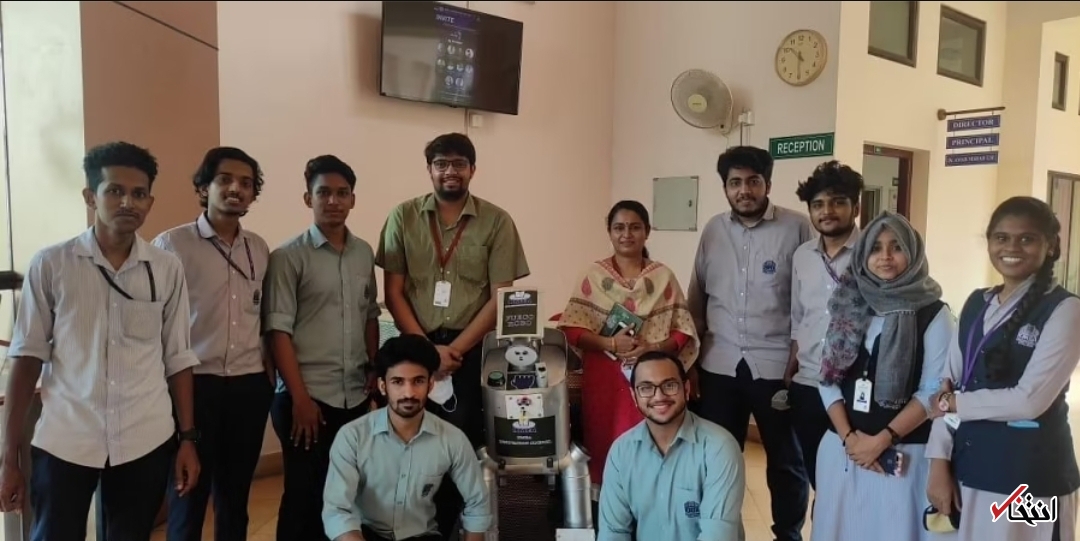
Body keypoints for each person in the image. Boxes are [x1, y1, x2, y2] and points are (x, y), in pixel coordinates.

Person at [0, 141, 201, 541]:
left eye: (139, 194)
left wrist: (188, 439)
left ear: (150, 202)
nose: (128, 202)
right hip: (67, 439)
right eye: (115, 191)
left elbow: (178, 357)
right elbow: (27, 357)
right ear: (90, 197)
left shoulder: (165, 268)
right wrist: (8, 458)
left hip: (145, 437)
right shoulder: (52, 264)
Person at [376, 132, 529, 539]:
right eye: (441, 163)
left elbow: (501, 297)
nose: (450, 171)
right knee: (408, 437)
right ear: (429, 170)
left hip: (470, 350)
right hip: (415, 345)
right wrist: (427, 351)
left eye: (459, 163)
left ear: (472, 169)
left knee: (460, 443)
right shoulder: (403, 217)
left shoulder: (497, 221)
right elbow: (393, 292)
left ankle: (453, 528)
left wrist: (454, 351)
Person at [926, 196, 1080, 541]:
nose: (1012, 247)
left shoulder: (1066, 309)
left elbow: (1028, 401)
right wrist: (938, 461)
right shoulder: (977, 303)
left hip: (1031, 481)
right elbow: (946, 385)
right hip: (971, 470)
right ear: (989, 243)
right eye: (1001, 237)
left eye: (1027, 238)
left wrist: (955, 403)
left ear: (1051, 245)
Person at [687, 145, 813, 541]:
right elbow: (697, 301)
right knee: (717, 459)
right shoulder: (713, 230)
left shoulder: (797, 229)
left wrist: (798, 357)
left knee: (786, 461)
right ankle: (719, 533)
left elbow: (810, 302)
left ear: (768, 185)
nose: (744, 190)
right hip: (718, 365)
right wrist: (691, 363)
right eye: (735, 183)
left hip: (777, 369)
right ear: (725, 187)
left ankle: (788, 535)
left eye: (753, 181)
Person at [153, 147, 274, 541]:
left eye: (246, 183)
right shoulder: (172, 246)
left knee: (235, 497)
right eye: (225, 180)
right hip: (194, 385)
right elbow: (155, 323)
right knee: (188, 494)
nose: (236, 189)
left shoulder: (259, 248)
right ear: (204, 187)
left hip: (248, 385)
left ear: (253, 194)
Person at [810, 210, 953, 541]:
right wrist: (851, 440)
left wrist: (880, 441)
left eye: (896, 246)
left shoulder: (934, 313)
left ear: (913, 253)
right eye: (875, 247)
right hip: (843, 452)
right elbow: (827, 378)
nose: (885, 256)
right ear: (863, 254)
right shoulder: (848, 302)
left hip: (904, 457)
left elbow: (932, 391)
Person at [263, 155, 382, 541]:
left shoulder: (363, 252)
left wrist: (372, 368)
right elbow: (278, 332)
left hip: (353, 395)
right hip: (307, 399)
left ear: (353, 200)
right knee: (304, 496)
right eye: (323, 193)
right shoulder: (287, 256)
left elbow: (369, 314)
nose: (333, 201)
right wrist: (299, 398)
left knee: (346, 493)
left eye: (342, 193)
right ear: (307, 198)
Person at [556, 200, 700, 506]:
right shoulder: (592, 276)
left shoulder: (663, 277)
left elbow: (683, 331)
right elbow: (570, 329)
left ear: (647, 231)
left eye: (635, 227)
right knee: (605, 440)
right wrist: (610, 344)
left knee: (651, 440)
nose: (626, 234)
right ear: (609, 231)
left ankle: (653, 505)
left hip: (651, 379)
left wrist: (653, 348)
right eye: (619, 227)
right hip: (605, 381)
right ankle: (608, 510)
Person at [322, 334, 492, 541]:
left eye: (418, 381)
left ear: (430, 385)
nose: (408, 393)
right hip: (364, 535)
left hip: (422, 535)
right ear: (383, 386)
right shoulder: (352, 436)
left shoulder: (452, 439)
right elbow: (337, 510)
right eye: (398, 382)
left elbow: (477, 503)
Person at [598, 351, 744, 541]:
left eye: (669, 385)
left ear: (686, 388)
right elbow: (613, 532)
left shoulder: (719, 447)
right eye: (646, 388)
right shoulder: (621, 451)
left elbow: (717, 536)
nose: (659, 396)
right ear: (634, 396)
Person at [789, 160, 864, 490]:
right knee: (817, 477)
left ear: (855, 207)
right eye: (818, 204)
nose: (827, 211)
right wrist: (790, 368)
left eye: (837, 202)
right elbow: (798, 316)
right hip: (809, 382)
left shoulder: (873, 254)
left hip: (853, 385)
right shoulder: (802, 255)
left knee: (854, 479)